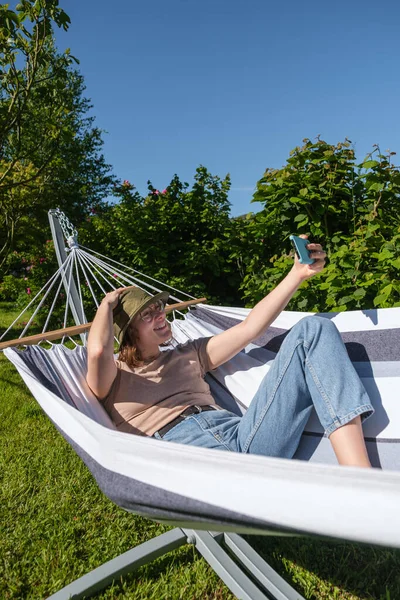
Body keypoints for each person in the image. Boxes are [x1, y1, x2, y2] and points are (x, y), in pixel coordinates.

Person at [86, 237, 374, 467]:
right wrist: (106, 305)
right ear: (127, 334)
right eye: (146, 315)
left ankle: (358, 477)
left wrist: (296, 275)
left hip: (245, 437)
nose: (160, 316)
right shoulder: (113, 377)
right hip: (191, 461)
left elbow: (249, 328)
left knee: (313, 329)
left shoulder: (189, 354)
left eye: (158, 308)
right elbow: (98, 351)